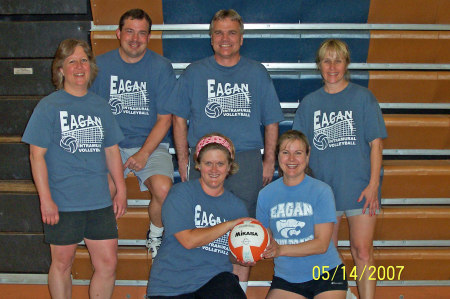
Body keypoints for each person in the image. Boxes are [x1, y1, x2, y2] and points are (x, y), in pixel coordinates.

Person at [166, 9, 284, 290]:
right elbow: (178, 118)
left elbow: (271, 121)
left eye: (232, 32)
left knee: (244, 233)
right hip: (205, 162)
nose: (225, 38)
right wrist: (183, 160)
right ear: (211, 38)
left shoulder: (256, 72)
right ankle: (202, 290)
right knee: (202, 230)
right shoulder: (194, 73)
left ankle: (237, 293)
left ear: (241, 39)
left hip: (245, 160)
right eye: (218, 32)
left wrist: (269, 161)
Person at [22, 39, 126, 299]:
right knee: (62, 264)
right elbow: (36, 156)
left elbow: (112, 150)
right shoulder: (48, 106)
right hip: (63, 202)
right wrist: (46, 200)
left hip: (99, 201)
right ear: (60, 69)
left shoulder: (101, 106)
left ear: (90, 67)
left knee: (108, 264)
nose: (79, 67)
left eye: (83, 60)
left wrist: (121, 190)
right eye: (72, 61)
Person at [292, 39, 387, 299]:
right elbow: (298, 151)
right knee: (326, 253)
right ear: (319, 65)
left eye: (338, 60)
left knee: (363, 251)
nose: (332, 66)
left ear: (346, 64)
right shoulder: (310, 104)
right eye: (326, 60)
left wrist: (373, 185)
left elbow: (376, 145)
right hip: (324, 193)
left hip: (360, 188)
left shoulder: (363, 97)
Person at [90, 8, 177, 259]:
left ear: (149, 37)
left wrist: (143, 153)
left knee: (163, 189)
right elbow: (93, 115)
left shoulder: (161, 67)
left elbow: (165, 119)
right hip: (110, 144)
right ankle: (105, 234)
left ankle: (156, 234)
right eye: (129, 31)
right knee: (103, 188)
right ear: (118, 33)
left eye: (142, 33)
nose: (135, 39)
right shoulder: (100, 66)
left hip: (150, 143)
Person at [147, 133, 251, 298]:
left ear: (229, 166)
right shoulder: (181, 193)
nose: (214, 170)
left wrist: (243, 257)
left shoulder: (236, 206)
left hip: (215, 282)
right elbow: (188, 241)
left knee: (227, 281)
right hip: (172, 285)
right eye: (208, 163)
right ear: (198, 165)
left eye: (220, 163)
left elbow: (231, 253)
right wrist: (229, 224)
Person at [256, 130, 347, 299]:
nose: (291, 159)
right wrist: (250, 248)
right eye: (285, 153)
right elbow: (266, 239)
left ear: (307, 155)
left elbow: (321, 245)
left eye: (298, 153)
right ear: (277, 156)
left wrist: (280, 249)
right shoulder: (265, 195)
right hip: (286, 279)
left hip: (326, 275)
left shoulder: (322, 191)